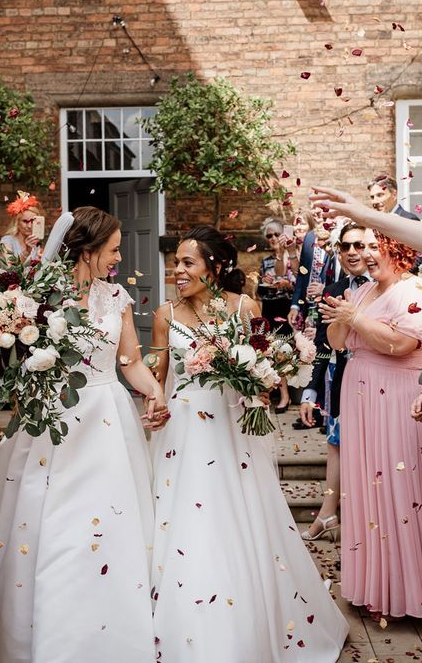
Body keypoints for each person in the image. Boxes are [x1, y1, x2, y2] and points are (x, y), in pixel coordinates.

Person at [0, 206, 169, 662]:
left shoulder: (117, 299)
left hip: (107, 424)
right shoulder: (38, 298)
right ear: (87, 250)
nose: (118, 259)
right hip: (54, 425)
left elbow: (131, 363)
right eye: (113, 250)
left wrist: (154, 392)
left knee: (107, 524)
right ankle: (45, 621)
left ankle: (109, 620)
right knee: (53, 523)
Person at [149, 225, 348, 661]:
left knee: (236, 514)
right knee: (178, 516)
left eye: (187, 263)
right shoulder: (164, 315)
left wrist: (262, 384)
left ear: (215, 267)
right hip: (181, 429)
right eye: (176, 263)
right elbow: (157, 373)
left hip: (230, 426)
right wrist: (151, 403)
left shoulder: (243, 307)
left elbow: (264, 364)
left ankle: (247, 617)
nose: (177, 270)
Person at [321, 227, 422, 621]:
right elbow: (337, 341)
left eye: (375, 246)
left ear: (396, 248)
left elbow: (402, 344)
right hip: (359, 399)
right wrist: (346, 317)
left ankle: (417, 594)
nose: (367, 254)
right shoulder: (362, 290)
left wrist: (353, 317)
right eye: (363, 247)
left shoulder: (415, 290)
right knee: (366, 490)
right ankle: (378, 587)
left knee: (401, 488)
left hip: (397, 398)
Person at [298, 222, 370, 541]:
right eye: (345, 247)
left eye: (359, 245)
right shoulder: (333, 291)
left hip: (380, 382)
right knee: (335, 444)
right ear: (338, 252)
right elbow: (325, 348)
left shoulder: (386, 287)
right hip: (341, 380)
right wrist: (311, 390)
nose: (352, 252)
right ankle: (329, 513)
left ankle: (362, 523)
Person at [257, 216, 297, 412]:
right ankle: (278, 392)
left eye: (276, 234)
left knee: (284, 351)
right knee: (272, 350)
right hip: (269, 308)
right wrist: (266, 284)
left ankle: (286, 395)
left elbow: (299, 286)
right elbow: (259, 290)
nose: (272, 238)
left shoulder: (292, 257)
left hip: (286, 307)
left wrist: (287, 285)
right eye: (269, 235)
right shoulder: (266, 262)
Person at [0, 192, 43, 262]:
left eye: (32, 221)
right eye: (25, 221)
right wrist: (27, 251)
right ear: (17, 223)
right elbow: (10, 268)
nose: (29, 226)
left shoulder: (35, 241)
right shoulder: (7, 241)